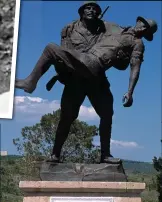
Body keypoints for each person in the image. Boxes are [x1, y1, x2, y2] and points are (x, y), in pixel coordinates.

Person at [15, 1, 157, 164]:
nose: (142, 27)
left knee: (106, 114)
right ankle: (55, 154)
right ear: (138, 21)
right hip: (78, 74)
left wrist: (130, 91)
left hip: (94, 69)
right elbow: (85, 32)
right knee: (67, 117)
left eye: (146, 29)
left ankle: (105, 155)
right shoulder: (112, 27)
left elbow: (134, 68)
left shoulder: (137, 44)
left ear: (146, 34)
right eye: (142, 24)